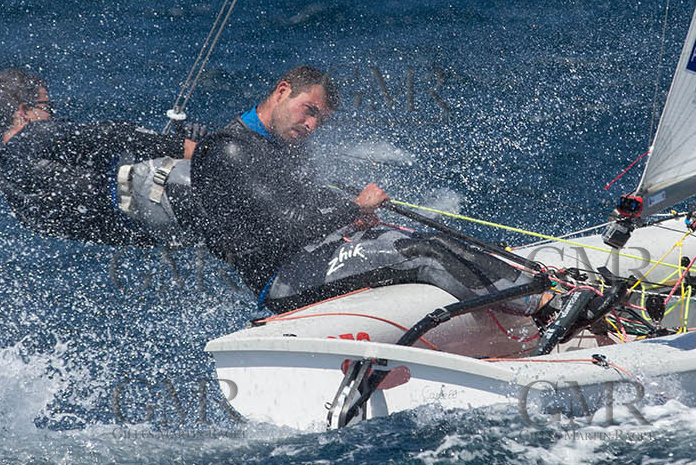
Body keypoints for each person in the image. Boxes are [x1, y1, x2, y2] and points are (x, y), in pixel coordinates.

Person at [190, 65, 551, 317]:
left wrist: (352, 217)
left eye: (321, 120)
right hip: (281, 279)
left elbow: (309, 200)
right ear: (282, 91)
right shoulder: (233, 150)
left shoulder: (286, 142)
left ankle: (538, 285)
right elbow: (288, 226)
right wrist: (353, 208)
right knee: (422, 253)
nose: (312, 125)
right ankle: (540, 307)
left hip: (314, 251)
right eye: (309, 111)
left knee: (426, 239)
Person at [0, 68, 207, 246]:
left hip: (162, 230)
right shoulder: (30, 136)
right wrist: (188, 148)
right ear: (23, 111)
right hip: (167, 192)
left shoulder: (12, 189)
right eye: (47, 106)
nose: (52, 114)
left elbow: (105, 227)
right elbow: (114, 134)